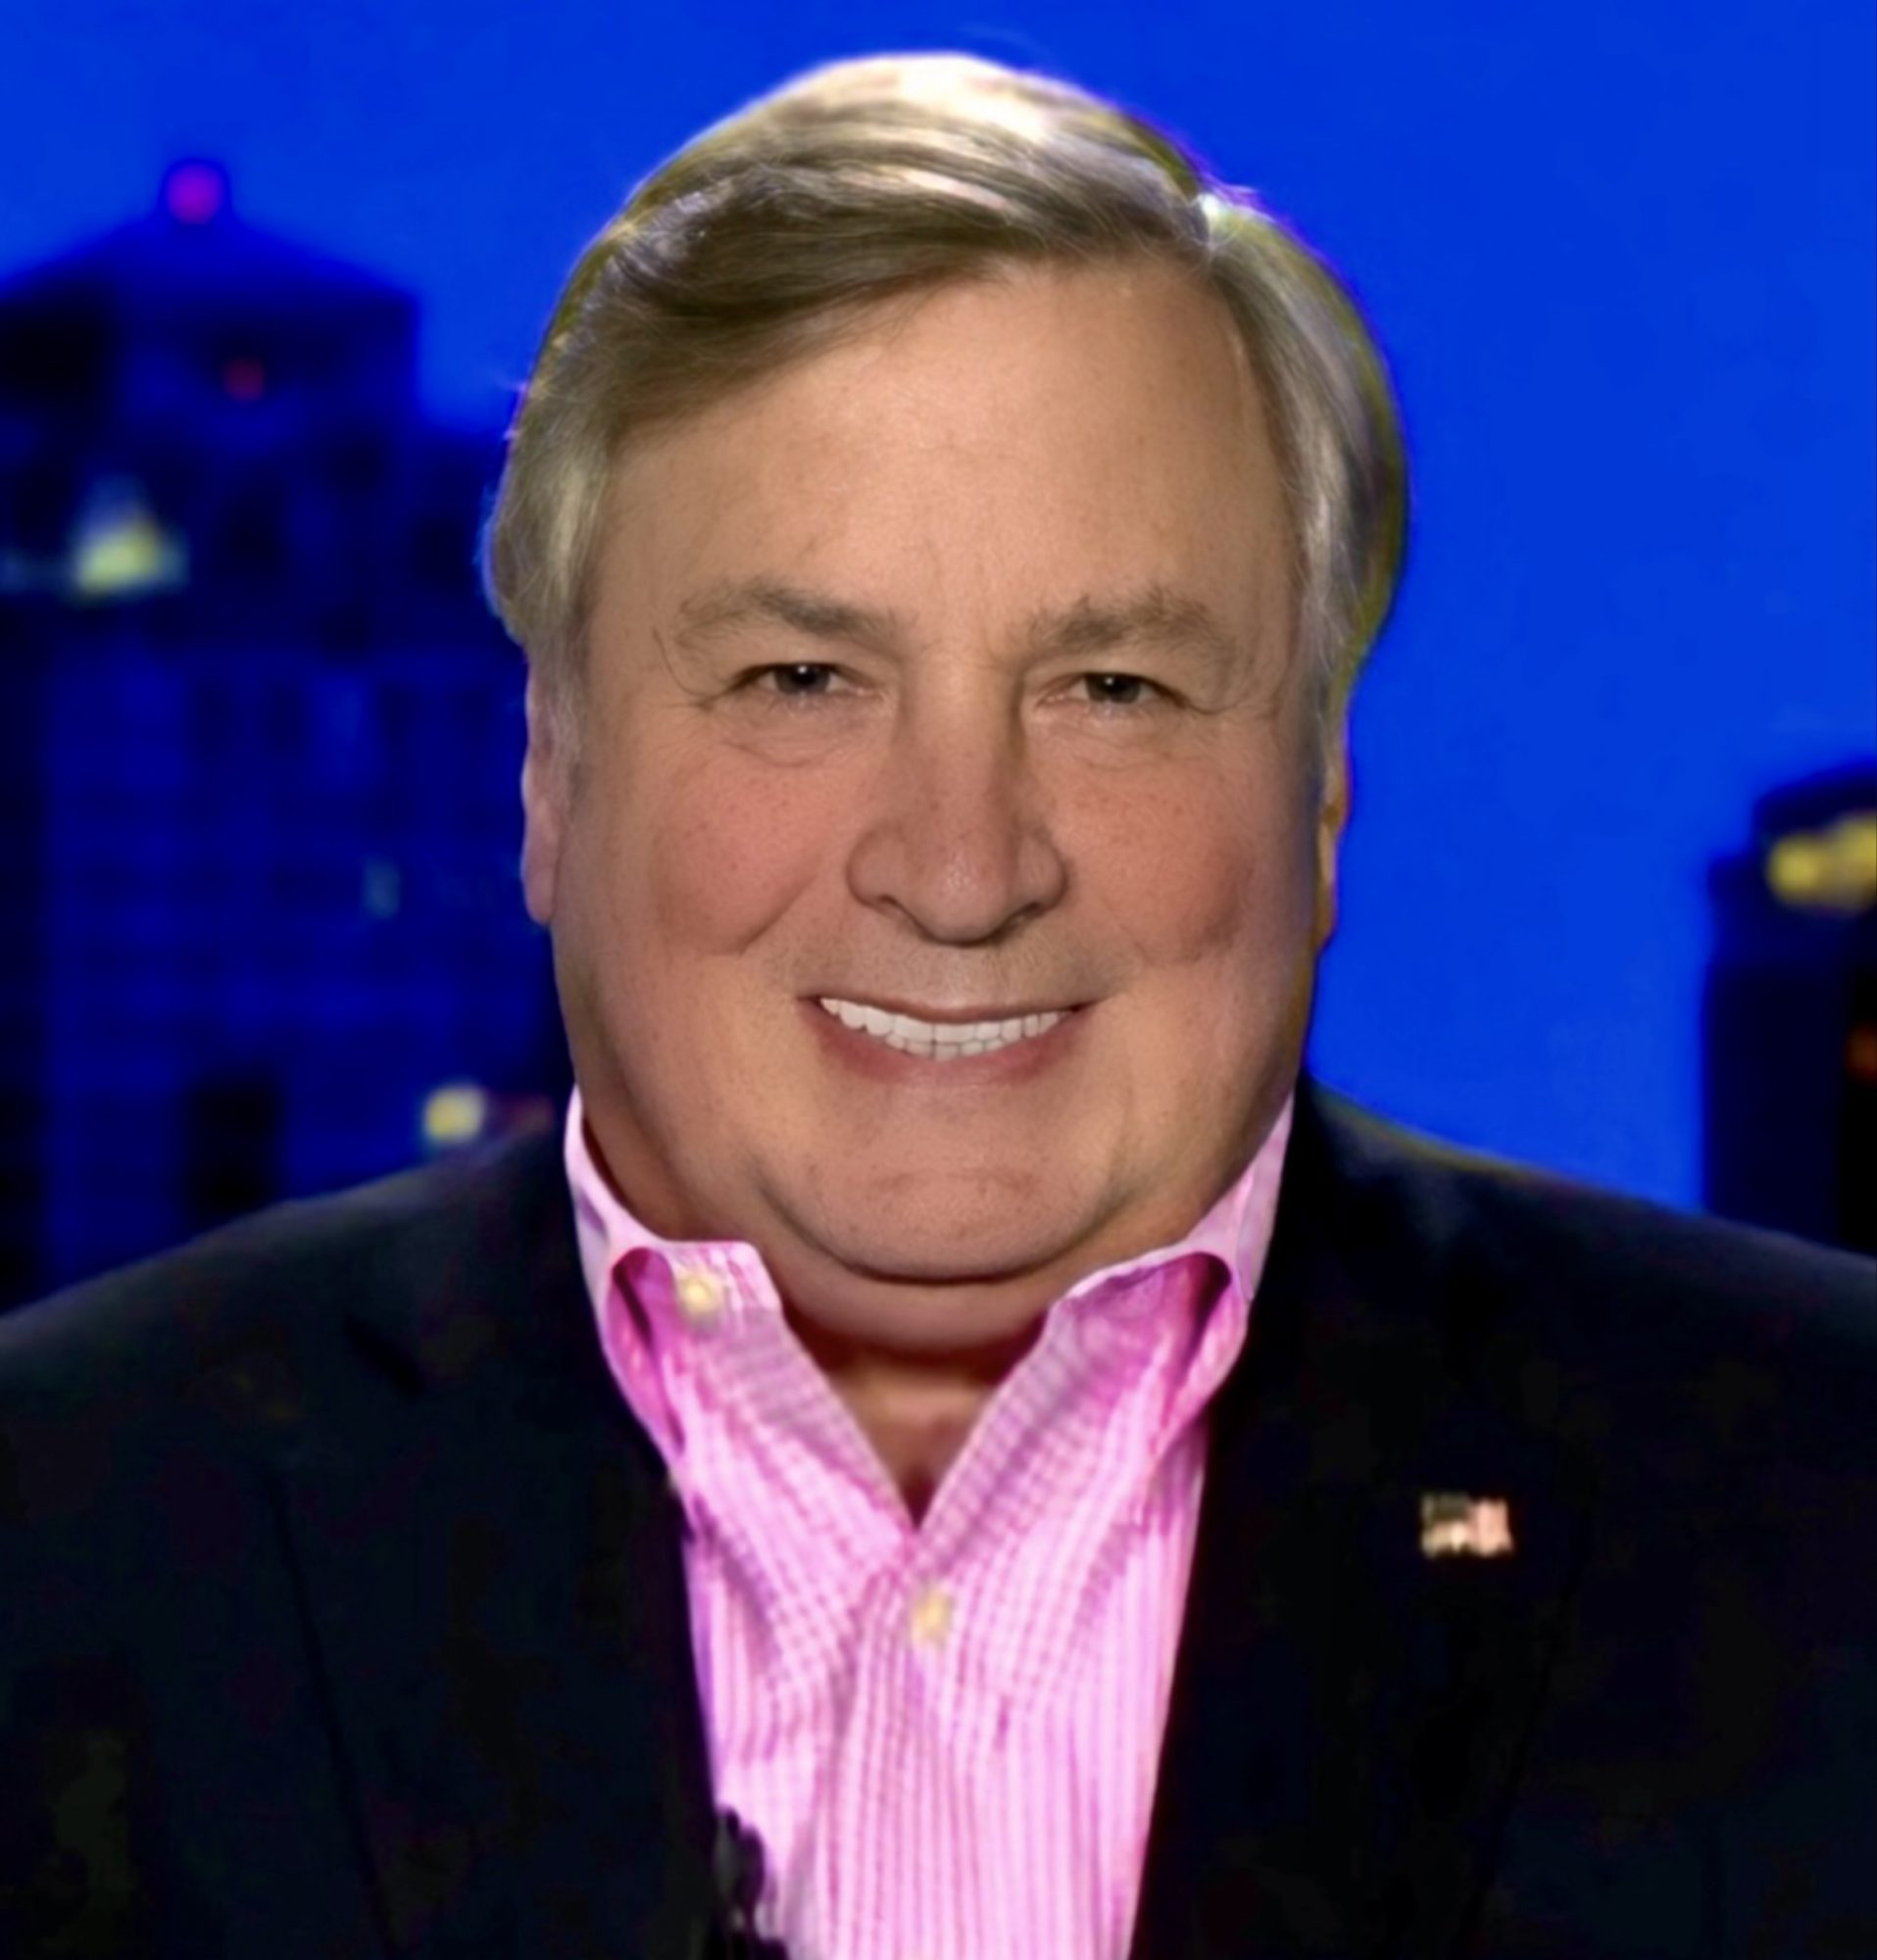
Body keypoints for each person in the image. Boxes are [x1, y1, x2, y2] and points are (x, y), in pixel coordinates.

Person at [2, 49, 1872, 1960]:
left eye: (1116, 690)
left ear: (1321, 794)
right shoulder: (63, 1536)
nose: (963, 868)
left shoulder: (1825, 1502)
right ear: (549, 776)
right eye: (802, 680)